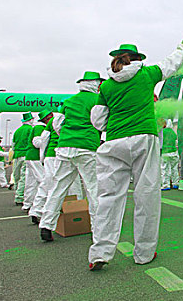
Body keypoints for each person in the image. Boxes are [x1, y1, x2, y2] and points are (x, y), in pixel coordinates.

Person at [88, 42, 183, 270]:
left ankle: (100, 253)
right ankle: (144, 253)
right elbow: (172, 63)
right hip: (144, 138)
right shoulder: (146, 74)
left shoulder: (105, 87)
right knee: (147, 195)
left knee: (108, 199)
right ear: (136, 58)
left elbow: (98, 121)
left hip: (113, 142)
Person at [39, 71, 104, 241]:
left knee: (58, 187)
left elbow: (57, 124)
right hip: (87, 147)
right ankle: (98, 230)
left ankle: (46, 225)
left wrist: (67, 137)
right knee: (93, 188)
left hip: (65, 148)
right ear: (95, 84)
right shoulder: (97, 100)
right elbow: (101, 122)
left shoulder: (68, 101)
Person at [22, 114, 46, 214]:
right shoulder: (40, 127)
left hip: (29, 156)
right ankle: (38, 208)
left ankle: (27, 203)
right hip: (35, 157)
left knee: (30, 182)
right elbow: (37, 143)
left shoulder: (34, 127)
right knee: (43, 181)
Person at [12, 112, 34, 205]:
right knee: (24, 177)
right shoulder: (31, 129)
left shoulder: (17, 131)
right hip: (26, 155)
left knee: (16, 176)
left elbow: (13, 145)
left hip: (17, 155)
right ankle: (20, 196)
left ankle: (17, 194)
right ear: (30, 120)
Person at [160, 119, 180, 190]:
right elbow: (176, 142)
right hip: (174, 152)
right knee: (174, 168)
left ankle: (166, 185)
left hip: (165, 153)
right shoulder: (173, 132)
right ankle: (176, 183)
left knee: (165, 169)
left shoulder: (162, 132)